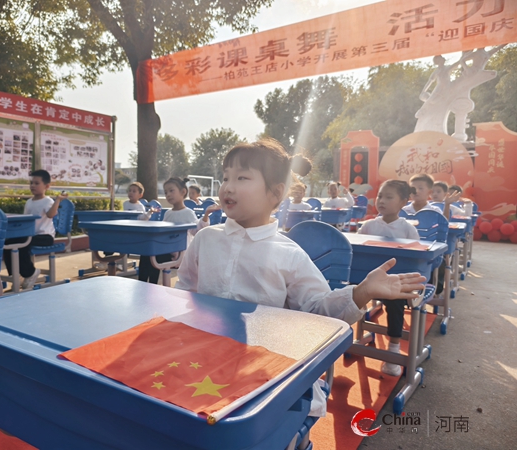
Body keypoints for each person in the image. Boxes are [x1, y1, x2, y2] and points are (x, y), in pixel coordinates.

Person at [174, 139, 426, 417]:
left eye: (242, 177)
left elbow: (317, 310)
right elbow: (184, 292)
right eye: (225, 178)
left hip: (262, 370)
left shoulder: (288, 254)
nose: (228, 187)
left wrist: (361, 292)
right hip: (204, 361)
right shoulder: (206, 238)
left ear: (275, 193)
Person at [358, 180, 420, 376]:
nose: (382, 201)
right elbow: (356, 249)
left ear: (403, 202)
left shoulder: (408, 229)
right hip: (367, 281)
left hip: (396, 284)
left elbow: (416, 258)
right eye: (380, 196)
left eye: (389, 197)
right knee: (349, 294)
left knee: (395, 302)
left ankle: (393, 349)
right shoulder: (368, 226)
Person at [138, 177, 217, 284]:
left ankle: (152, 285)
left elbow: (197, 231)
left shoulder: (188, 213)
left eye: (171, 191)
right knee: (147, 253)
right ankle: (143, 284)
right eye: (166, 192)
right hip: (166, 249)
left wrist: (206, 215)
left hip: (180, 254)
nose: (168, 195)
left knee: (153, 256)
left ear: (183, 192)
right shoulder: (168, 213)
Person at [2, 170, 68, 289]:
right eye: (31, 183)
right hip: (30, 235)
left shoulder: (48, 201)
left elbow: (51, 215)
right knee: (7, 242)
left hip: (45, 237)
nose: (32, 185)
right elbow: (25, 220)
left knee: (22, 243)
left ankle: (30, 273)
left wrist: (57, 200)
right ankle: (16, 275)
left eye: (36, 183)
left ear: (47, 186)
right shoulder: (29, 202)